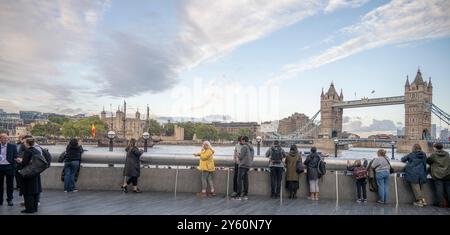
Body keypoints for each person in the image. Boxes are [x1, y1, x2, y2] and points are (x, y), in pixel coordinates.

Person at [16, 138, 42, 213]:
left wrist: (20, 161)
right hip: (36, 173)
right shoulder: (37, 151)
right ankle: (35, 208)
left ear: (27, 143)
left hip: (28, 174)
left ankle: (29, 209)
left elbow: (25, 163)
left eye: (24, 142)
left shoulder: (28, 151)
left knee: (28, 191)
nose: (23, 143)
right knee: (35, 191)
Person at [427, 143, 450, 208]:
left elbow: (428, 161)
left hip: (437, 175)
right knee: (448, 189)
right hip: (447, 174)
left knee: (439, 190)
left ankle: (441, 204)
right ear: (442, 147)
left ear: (435, 148)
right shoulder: (447, 154)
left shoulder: (434, 154)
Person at [233, 136, 254, 200]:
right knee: (245, 180)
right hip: (248, 165)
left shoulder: (244, 147)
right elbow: (251, 156)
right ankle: (245, 195)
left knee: (239, 180)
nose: (241, 141)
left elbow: (241, 157)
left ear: (244, 141)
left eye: (242, 140)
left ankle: (238, 195)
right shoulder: (251, 147)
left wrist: (237, 154)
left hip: (242, 165)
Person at [0, 133, 18, 206]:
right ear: (0, 139)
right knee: (0, 185)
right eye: (3, 138)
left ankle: (10, 199)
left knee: (10, 185)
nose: (5, 139)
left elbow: (16, 156)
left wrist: (13, 165)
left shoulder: (12, 146)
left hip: (9, 167)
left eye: (6, 138)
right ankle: (0, 200)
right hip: (0, 167)